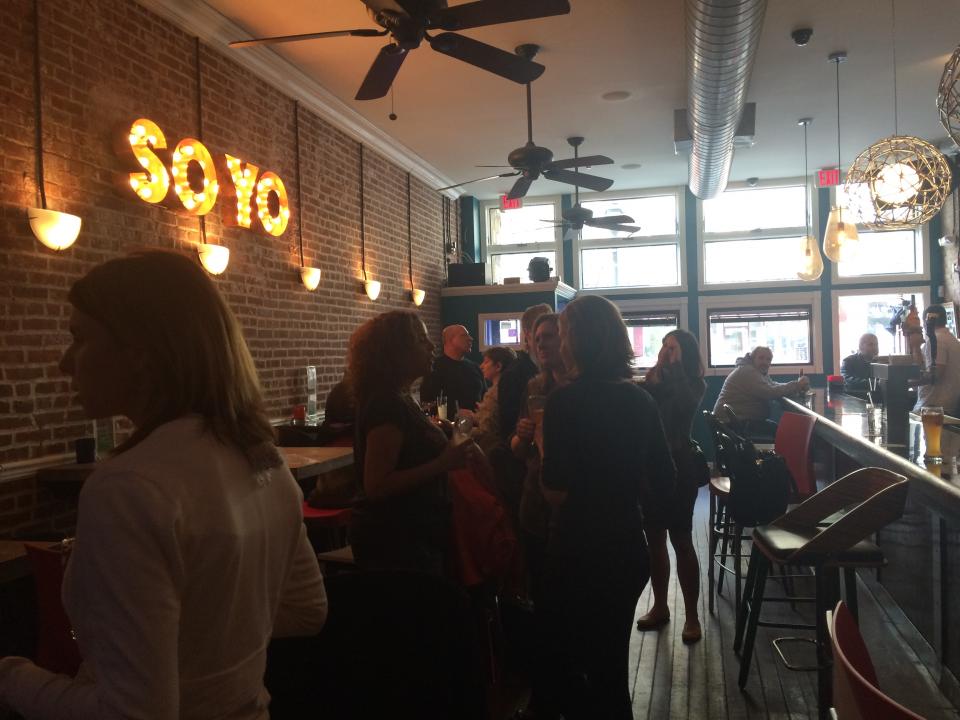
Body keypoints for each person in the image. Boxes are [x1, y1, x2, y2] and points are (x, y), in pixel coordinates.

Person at [0, 250, 327, 720]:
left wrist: (13, 676)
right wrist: (201, 651)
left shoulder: (128, 487)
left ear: (142, 353)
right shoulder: (260, 457)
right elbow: (305, 610)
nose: (64, 363)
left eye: (80, 338)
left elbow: (132, 713)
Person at [540, 295, 676, 720]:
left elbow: (555, 490)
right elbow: (665, 478)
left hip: (576, 548)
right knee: (611, 667)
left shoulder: (563, 402)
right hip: (624, 546)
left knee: (576, 665)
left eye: (563, 334)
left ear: (575, 341)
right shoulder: (639, 400)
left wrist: (540, 454)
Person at [348, 311, 481, 576]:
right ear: (397, 352)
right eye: (421, 340)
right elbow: (376, 485)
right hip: (397, 541)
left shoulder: (401, 397)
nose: (432, 346)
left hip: (415, 534)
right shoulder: (387, 403)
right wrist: (443, 463)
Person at [508, 313, 567, 720]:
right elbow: (518, 449)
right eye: (537, 339)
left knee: (570, 603)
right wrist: (522, 437)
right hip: (534, 504)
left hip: (571, 509)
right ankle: (544, 696)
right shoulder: (533, 386)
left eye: (549, 338)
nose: (541, 345)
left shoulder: (582, 389)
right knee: (543, 601)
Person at [636, 329, 706, 643]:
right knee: (654, 539)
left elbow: (685, 405)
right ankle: (661, 605)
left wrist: (676, 368)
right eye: (664, 346)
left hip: (681, 465)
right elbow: (641, 399)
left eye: (673, 348)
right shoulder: (656, 382)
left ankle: (692, 617)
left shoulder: (694, 383)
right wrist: (660, 369)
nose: (667, 352)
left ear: (685, 354)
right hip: (651, 468)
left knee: (681, 539)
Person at [712, 346, 809, 437]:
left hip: (736, 422)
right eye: (761, 358)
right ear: (753, 358)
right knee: (784, 434)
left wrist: (796, 386)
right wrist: (797, 385)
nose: (765, 362)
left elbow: (772, 385)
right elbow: (769, 392)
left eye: (768, 359)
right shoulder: (748, 372)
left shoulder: (756, 371)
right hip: (733, 425)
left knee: (781, 431)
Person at [498, 304, 553, 443]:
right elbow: (507, 430)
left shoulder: (559, 370)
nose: (544, 342)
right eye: (540, 333)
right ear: (528, 334)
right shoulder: (513, 375)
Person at [419, 324, 486, 414]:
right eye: (464, 335)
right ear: (450, 340)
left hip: (477, 425)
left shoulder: (475, 367)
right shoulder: (435, 368)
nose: (470, 339)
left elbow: (485, 398)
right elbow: (427, 403)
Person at [914, 304, 960, 414]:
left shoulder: (936, 340)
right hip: (948, 404)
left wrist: (905, 382)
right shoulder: (952, 339)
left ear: (927, 320)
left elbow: (935, 375)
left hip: (933, 406)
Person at [472, 346, 517, 453]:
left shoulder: (494, 393)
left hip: (491, 452)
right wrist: (475, 417)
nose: (481, 366)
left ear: (498, 366)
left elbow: (485, 432)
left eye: (486, 362)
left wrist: (459, 428)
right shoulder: (510, 389)